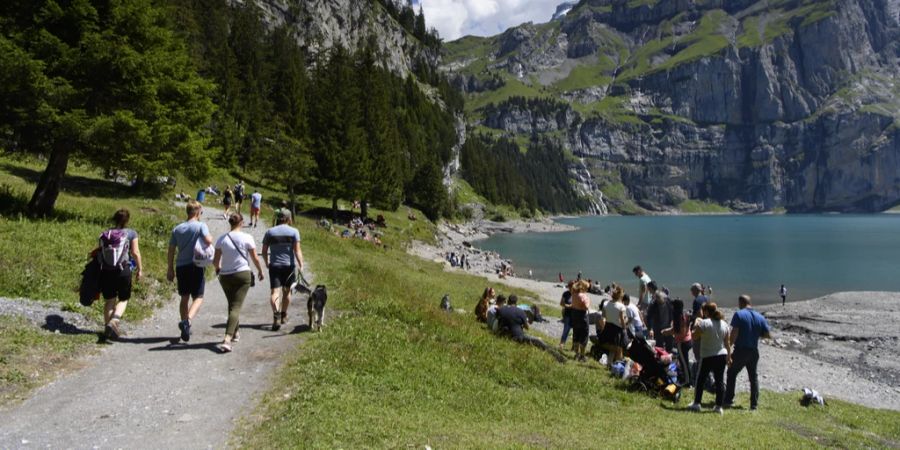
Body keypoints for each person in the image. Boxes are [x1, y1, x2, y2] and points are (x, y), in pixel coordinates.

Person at [213, 213, 264, 353]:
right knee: (236, 306)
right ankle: (227, 339)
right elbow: (255, 258)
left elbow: (216, 261)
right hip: (242, 274)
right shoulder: (247, 237)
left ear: (230, 223)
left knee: (232, 304)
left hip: (225, 276)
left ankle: (235, 332)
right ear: (241, 223)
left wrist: (218, 270)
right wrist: (260, 271)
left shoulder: (221, 239)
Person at [167, 200, 212, 342]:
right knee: (198, 296)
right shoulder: (201, 226)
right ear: (198, 212)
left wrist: (170, 268)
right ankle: (187, 322)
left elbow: (171, 250)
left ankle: (184, 327)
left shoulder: (177, 229)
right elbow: (208, 240)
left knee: (184, 297)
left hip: (181, 266)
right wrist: (210, 238)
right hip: (196, 265)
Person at [94, 209, 143, 340]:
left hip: (106, 271)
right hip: (123, 270)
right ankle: (114, 321)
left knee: (110, 300)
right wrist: (140, 269)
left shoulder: (105, 234)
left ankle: (107, 329)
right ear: (127, 220)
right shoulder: (131, 233)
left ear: (114, 218)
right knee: (123, 299)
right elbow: (135, 252)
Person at [725, 295, 771, 410]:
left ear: (741, 302)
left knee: (731, 373)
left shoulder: (739, 314)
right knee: (753, 377)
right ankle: (754, 404)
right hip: (754, 351)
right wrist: (754, 334)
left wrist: (728, 349)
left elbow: (734, 333)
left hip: (741, 350)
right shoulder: (760, 317)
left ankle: (729, 399)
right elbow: (768, 335)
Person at [262, 209, 303, 331]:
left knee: (275, 292)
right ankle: (284, 314)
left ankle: (276, 314)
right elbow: (297, 250)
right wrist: (301, 264)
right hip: (289, 266)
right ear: (289, 218)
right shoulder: (294, 232)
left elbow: (264, 251)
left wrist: (267, 263)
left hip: (275, 266)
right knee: (287, 292)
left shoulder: (270, 232)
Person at [688, 302, 732, 415]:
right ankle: (718, 407)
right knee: (720, 381)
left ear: (706, 312)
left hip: (707, 355)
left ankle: (697, 403)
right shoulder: (724, 324)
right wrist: (729, 356)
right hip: (721, 355)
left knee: (700, 379)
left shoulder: (704, 323)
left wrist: (695, 324)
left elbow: (694, 336)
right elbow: (727, 343)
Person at [496, 295, 566, 362]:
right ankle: (559, 357)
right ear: (516, 302)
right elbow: (527, 327)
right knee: (539, 341)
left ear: (508, 301)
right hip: (517, 337)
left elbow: (498, 320)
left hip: (502, 334)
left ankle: (555, 351)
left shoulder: (501, 309)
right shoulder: (520, 311)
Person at [662, 299, 693, 386]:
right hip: (688, 340)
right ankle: (685, 378)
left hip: (682, 342)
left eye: (673, 306)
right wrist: (668, 330)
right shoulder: (685, 314)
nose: (671, 307)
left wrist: (667, 332)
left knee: (684, 363)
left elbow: (680, 332)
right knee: (683, 361)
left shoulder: (679, 318)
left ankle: (687, 382)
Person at [598, 285, 627, 366]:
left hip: (608, 327)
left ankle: (610, 363)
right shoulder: (621, 307)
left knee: (614, 348)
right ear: (621, 295)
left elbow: (602, 318)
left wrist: (603, 328)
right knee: (619, 349)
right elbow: (622, 321)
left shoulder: (606, 303)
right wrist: (625, 328)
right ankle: (618, 365)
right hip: (617, 330)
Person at [646, 281, 674, 351]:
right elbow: (649, 317)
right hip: (658, 328)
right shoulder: (653, 304)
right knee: (659, 345)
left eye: (661, 301)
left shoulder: (668, 301)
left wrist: (673, 321)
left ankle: (669, 355)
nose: (659, 302)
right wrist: (650, 329)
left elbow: (673, 311)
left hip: (668, 326)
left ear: (664, 298)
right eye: (658, 301)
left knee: (669, 344)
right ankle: (661, 357)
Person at [569, 280, 591, 361]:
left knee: (576, 334)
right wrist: (589, 301)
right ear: (583, 288)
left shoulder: (573, 294)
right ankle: (582, 356)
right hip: (582, 316)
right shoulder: (583, 296)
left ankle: (576, 354)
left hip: (575, 315)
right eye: (587, 288)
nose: (587, 290)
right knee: (584, 335)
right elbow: (586, 307)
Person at [559, 281, 574, 351]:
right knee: (566, 330)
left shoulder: (576, 294)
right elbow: (561, 303)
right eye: (571, 286)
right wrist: (569, 306)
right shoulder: (565, 294)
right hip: (567, 314)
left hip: (575, 315)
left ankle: (574, 347)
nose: (572, 288)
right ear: (569, 287)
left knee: (576, 331)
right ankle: (562, 344)